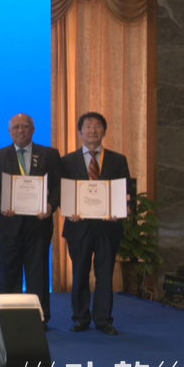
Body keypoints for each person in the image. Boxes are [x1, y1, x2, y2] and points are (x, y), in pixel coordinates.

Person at [0, 114, 61, 328]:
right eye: (16, 127)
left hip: (39, 225)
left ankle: (38, 319)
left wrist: (50, 206)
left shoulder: (49, 154)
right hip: (8, 226)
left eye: (25, 126)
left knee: (38, 275)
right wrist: (3, 204)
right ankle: (9, 320)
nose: (21, 130)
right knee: (8, 274)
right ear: (9, 132)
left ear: (33, 130)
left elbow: (58, 186)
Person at [62, 112, 131, 336]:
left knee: (105, 274)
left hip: (108, 227)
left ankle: (103, 320)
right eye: (88, 126)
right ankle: (80, 318)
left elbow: (126, 191)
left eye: (98, 126)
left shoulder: (118, 160)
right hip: (78, 227)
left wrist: (119, 210)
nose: (93, 130)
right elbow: (62, 192)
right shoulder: (67, 161)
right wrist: (68, 211)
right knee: (80, 273)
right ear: (80, 132)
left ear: (104, 131)